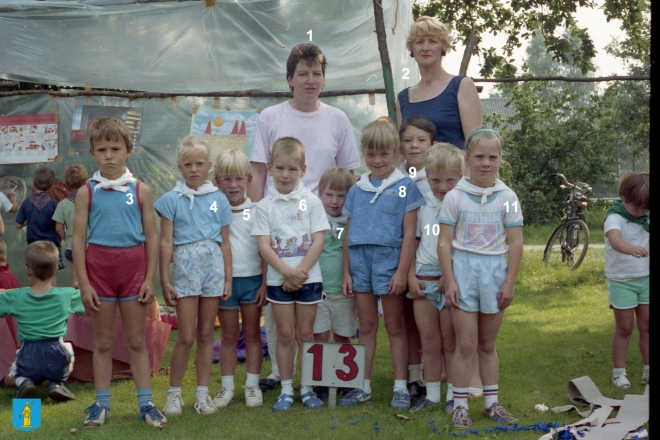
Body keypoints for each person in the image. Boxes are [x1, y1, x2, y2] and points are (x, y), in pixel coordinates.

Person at [248, 43, 361, 393]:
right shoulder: (270, 117)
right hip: (277, 223)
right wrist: (257, 224)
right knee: (277, 295)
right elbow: (257, 176)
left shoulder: (337, 119)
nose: (311, 80)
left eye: (317, 74)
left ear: (323, 79)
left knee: (323, 297)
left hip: (322, 224)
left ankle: (323, 373)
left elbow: (350, 175)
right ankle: (278, 372)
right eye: (303, 74)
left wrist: (344, 220)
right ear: (290, 79)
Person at [72, 117, 166, 428]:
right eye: (102, 149)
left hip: (133, 270)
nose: (109, 155)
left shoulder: (142, 190)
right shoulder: (88, 191)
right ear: (92, 152)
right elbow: (77, 238)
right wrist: (83, 283)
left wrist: (149, 279)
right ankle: (101, 404)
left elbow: (152, 236)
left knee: (137, 340)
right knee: (103, 341)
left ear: (129, 150)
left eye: (115, 148)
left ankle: (146, 403)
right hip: (98, 271)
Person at [438, 129, 523, 428]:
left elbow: (515, 243)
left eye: (492, 157)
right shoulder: (455, 197)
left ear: (500, 160)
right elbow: (445, 242)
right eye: (479, 157)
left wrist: (509, 282)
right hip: (463, 273)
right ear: (467, 159)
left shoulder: (508, 197)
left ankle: (491, 404)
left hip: (494, 275)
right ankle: (459, 404)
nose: (486, 163)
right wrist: (449, 280)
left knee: (487, 344)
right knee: (466, 344)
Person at [339, 118, 424, 410]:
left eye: (384, 154)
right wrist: (347, 272)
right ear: (363, 153)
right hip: (360, 265)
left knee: (395, 326)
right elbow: (347, 233)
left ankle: (400, 387)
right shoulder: (356, 189)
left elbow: (410, 234)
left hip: (390, 266)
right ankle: (362, 385)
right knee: (367, 326)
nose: (377, 160)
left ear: (396, 153)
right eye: (371, 154)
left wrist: (402, 272)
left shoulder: (404, 187)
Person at [155, 136, 233, 417]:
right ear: (179, 167)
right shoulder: (170, 201)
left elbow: (225, 242)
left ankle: (202, 393)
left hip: (213, 272)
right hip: (186, 272)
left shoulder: (219, 199)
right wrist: (164, 279)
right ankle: (173, 394)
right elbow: (165, 243)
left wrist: (228, 278)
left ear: (209, 165)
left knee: (205, 333)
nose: (193, 170)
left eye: (199, 164)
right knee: (186, 336)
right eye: (187, 165)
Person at [251, 137, 330, 412]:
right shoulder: (264, 206)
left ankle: (307, 389)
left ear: (303, 171)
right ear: (270, 168)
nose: (286, 175)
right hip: (278, 281)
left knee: (305, 334)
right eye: (280, 168)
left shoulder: (313, 202)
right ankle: (286, 388)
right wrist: (286, 273)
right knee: (285, 334)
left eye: (292, 170)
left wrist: (300, 273)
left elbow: (319, 241)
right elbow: (263, 245)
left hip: (309, 279)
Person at [408, 143, 463, 413]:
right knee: (429, 342)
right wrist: (409, 274)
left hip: (451, 280)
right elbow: (412, 241)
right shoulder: (421, 203)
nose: (442, 186)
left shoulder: (464, 203)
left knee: (451, 342)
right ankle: (431, 396)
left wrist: (450, 273)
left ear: (460, 177)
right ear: (426, 178)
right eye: (435, 180)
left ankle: (454, 395)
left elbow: (465, 246)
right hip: (422, 278)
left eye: (449, 180)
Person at [213, 149, 267, 409]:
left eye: (238, 179)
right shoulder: (212, 211)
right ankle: (227, 387)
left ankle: (253, 385)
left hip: (253, 283)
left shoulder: (258, 211)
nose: (232, 185)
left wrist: (265, 284)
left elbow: (265, 252)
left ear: (249, 180)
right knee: (229, 336)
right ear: (216, 181)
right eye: (226, 179)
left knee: (253, 334)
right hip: (225, 285)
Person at [0, 241, 83, 401]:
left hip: (28, 355)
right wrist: (82, 288)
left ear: (28, 270)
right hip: (57, 354)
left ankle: (24, 382)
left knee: (9, 378)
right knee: (68, 350)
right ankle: (57, 382)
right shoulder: (67, 295)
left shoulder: (15, 297)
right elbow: (89, 302)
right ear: (56, 270)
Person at [396, 16, 482, 149]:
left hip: (454, 169)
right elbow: (401, 151)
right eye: (419, 42)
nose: (425, 47)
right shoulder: (403, 98)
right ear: (412, 49)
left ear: (443, 47)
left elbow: (475, 146)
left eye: (432, 41)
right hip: (413, 170)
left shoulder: (461, 86)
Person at [397, 115, 436, 399]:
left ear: (432, 144)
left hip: (426, 259)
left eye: (421, 140)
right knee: (406, 320)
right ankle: (413, 376)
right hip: (398, 257)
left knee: (433, 323)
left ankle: (436, 373)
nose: (414, 146)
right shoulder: (395, 175)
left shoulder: (437, 177)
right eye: (408, 140)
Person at [312, 166, 356, 399]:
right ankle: (320, 379)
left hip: (343, 290)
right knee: (319, 336)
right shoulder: (315, 218)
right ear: (320, 193)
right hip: (318, 290)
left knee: (342, 335)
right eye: (329, 194)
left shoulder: (351, 221)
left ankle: (344, 378)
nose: (334, 201)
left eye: (341, 195)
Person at [603, 172, 649, 388]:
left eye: (646, 208)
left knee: (647, 326)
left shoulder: (646, 215)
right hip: (622, 280)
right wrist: (632, 249)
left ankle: (648, 369)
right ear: (624, 197)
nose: (641, 212)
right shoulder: (614, 217)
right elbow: (615, 240)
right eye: (637, 206)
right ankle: (618, 373)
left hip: (646, 279)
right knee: (625, 328)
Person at [15, 167, 65, 279]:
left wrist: (26, 222)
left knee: (34, 274)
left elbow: (18, 225)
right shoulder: (54, 204)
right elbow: (58, 226)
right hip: (52, 245)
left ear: (33, 183)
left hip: (34, 245)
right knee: (51, 275)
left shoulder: (26, 203)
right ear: (51, 185)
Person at [53, 164, 88, 288]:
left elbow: (58, 227)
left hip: (72, 246)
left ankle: (75, 304)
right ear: (85, 182)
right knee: (91, 277)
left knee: (76, 277)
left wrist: (67, 238)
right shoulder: (91, 202)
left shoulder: (63, 204)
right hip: (91, 246)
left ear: (67, 184)